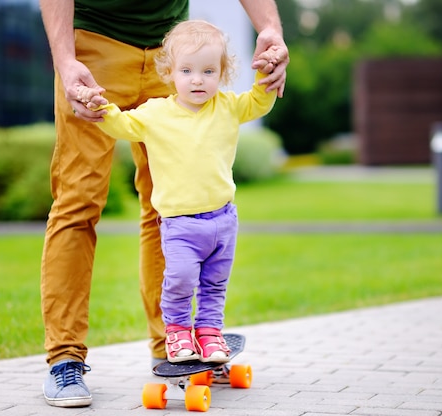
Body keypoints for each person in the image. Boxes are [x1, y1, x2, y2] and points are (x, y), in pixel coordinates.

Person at [39, 0, 289, 408]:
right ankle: (65, 358)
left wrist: (270, 30)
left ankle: (173, 346)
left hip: (173, 49)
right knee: (77, 203)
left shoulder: (205, 84)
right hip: (92, 47)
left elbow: (253, 99)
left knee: (174, 209)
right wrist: (65, 60)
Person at [78, 19, 278, 365]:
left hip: (223, 221)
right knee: (181, 280)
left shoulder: (228, 107)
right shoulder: (156, 113)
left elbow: (260, 102)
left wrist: (266, 74)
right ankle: (177, 332)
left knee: (215, 285)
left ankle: (210, 332)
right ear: (170, 73)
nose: (197, 79)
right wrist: (102, 108)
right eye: (187, 70)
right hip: (181, 225)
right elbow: (123, 125)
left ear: (222, 73)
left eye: (207, 71)